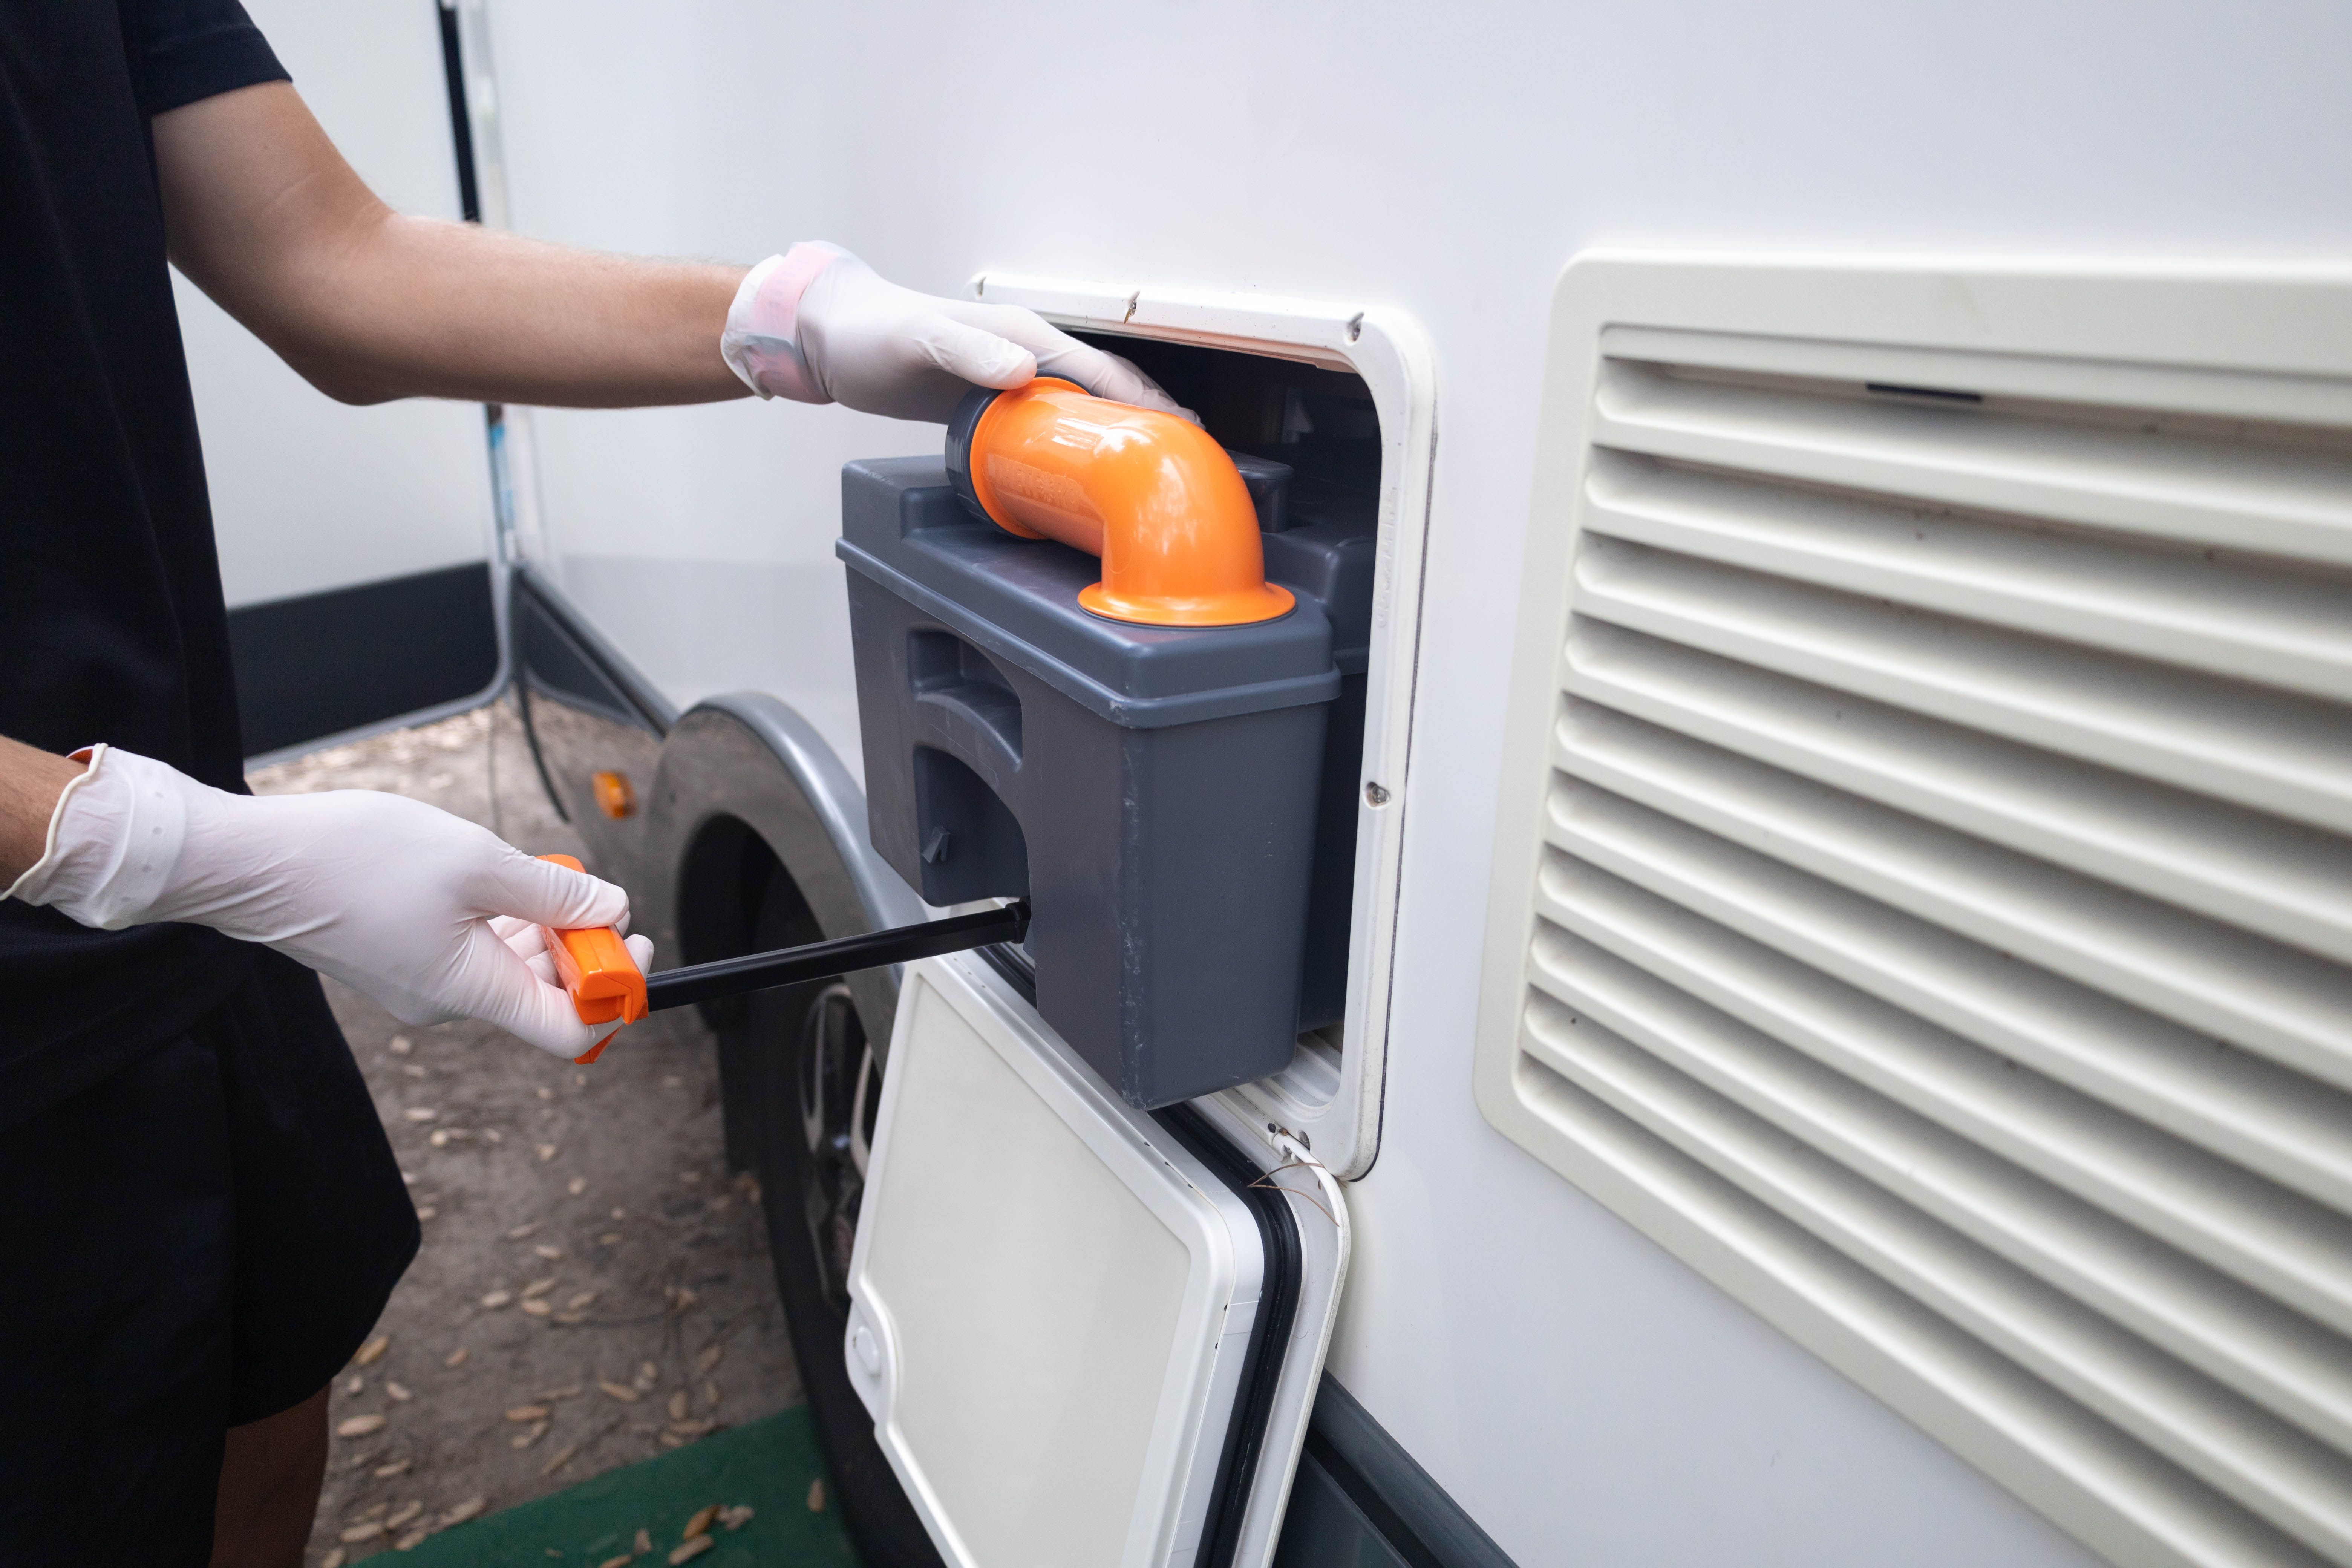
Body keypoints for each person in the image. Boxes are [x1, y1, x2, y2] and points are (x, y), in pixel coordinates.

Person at [0, 3, 1179, 1563]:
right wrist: (141, 839)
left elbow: (332, 260)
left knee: (260, 1428)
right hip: (81, 964)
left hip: (183, 956)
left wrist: (794, 322)